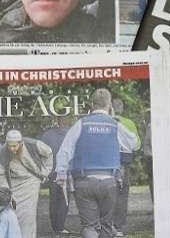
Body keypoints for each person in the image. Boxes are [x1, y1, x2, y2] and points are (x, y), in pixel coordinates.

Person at [56, 89, 139, 238]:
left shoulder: (81, 124)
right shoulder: (115, 125)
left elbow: (64, 151)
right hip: (109, 182)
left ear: (92, 105)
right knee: (107, 226)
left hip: (84, 181)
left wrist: (61, 173)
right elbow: (133, 143)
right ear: (109, 105)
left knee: (89, 227)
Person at [0, 129, 53, 238]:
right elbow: (0, 175)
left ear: (21, 143)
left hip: (31, 181)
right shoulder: (2, 153)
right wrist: (6, 193)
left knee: (28, 215)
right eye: (10, 146)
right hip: (13, 183)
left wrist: (45, 172)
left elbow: (48, 152)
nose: (12, 149)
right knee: (11, 212)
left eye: (15, 146)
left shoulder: (32, 144)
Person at [111, 99, 141, 237]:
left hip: (108, 160)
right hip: (124, 160)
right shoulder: (129, 123)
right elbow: (137, 145)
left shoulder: (106, 121)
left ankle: (107, 223)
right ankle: (118, 227)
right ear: (122, 108)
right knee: (122, 194)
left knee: (109, 192)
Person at [40, 117, 75, 234]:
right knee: (62, 199)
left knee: (55, 198)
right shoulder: (71, 133)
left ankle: (56, 226)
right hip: (63, 171)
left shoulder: (48, 134)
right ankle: (59, 227)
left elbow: (41, 153)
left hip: (54, 170)